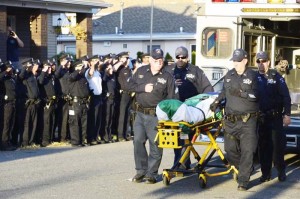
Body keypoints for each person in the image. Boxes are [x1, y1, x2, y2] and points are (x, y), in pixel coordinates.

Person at [210, 48, 259, 191]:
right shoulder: (229, 75)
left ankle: (243, 180)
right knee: (230, 149)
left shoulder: (253, 76)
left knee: (247, 150)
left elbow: (256, 95)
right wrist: (217, 102)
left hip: (248, 121)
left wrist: (241, 93)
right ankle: (243, 168)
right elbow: (224, 91)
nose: (235, 64)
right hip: (231, 120)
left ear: (245, 60)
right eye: (234, 61)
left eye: (238, 61)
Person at [129, 48, 176, 184]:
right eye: (155, 60)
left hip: (155, 116)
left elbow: (171, 98)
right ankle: (140, 171)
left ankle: (152, 173)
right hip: (139, 113)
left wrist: (167, 117)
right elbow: (130, 85)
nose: (158, 62)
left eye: (160, 60)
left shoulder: (167, 77)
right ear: (150, 60)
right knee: (137, 141)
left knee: (155, 144)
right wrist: (143, 88)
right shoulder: (141, 71)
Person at [164, 46, 214, 169]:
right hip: (175, 110)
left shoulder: (196, 70)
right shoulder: (169, 70)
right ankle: (182, 162)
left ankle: (181, 163)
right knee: (177, 138)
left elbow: (208, 88)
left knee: (185, 137)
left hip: (190, 110)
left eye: (183, 57)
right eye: (178, 57)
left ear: (188, 58)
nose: (180, 59)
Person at [256, 51, 291, 182]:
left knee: (278, 146)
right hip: (261, 118)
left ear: (268, 62)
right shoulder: (253, 78)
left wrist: (287, 114)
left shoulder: (276, 76)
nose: (261, 64)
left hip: (275, 117)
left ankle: (281, 170)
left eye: (263, 61)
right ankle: (265, 173)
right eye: (258, 61)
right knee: (263, 147)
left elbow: (286, 97)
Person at [19, 58, 40, 148]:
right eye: (31, 65)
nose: (32, 66)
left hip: (35, 102)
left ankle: (31, 142)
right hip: (28, 103)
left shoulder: (32, 75)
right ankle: (25, 142)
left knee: (34, 123)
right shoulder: (25, 74)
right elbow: (20, 77)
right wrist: (25, 67)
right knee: (27, 123)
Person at [68, 59, 90, 147]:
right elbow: (72, 76)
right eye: (80, 66)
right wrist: (78, 69)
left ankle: (82, 140)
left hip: (84, 102)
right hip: (75, 103)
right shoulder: (72, 76)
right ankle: (75, 141)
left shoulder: (82, 77)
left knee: (84, 123)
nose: (82, 68)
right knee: (75, 123)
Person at [37, 60, 57, 147]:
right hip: (46, 103)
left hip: (53, 102)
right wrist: (44, 71)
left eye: (50, 67)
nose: (50, 69)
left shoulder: (50, 77)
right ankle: (45, 140)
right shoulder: (41, 76)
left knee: (52, 121)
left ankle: (50, 138)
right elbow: (40, 82)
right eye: (48, 67)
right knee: (46, 122)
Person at [115, 52, 133, 142]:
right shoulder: (119, 68)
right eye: (125, 57)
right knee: (122, 115)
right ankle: (120, 135)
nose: (127, 59)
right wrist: (120, 62)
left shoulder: (129, 69)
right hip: (123, 94)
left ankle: (126, 134)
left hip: (129, 93)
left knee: (127, 114)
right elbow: (113, 69)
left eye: (127, 58)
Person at [85, 55, 103, 145]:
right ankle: (91, 138)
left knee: (98, 118)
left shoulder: (98, 72)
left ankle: (95, 137)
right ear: (90, 62)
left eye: (97, 60)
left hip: (99, 96)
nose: (96, 62)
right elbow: (89, 75)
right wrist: (92, 65)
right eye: (94, 60)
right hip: (93, 97)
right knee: (93, 118)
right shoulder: (89, 70)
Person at [0, 61, 17, 151]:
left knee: (11, 124)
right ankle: (4, 143)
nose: (11, 69)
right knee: (6, 124)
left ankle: (8, 141)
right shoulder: (3, 78)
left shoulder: (11, 78)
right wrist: (5, 72)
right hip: (6, 104)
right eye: (8, 68)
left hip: (13, 103)